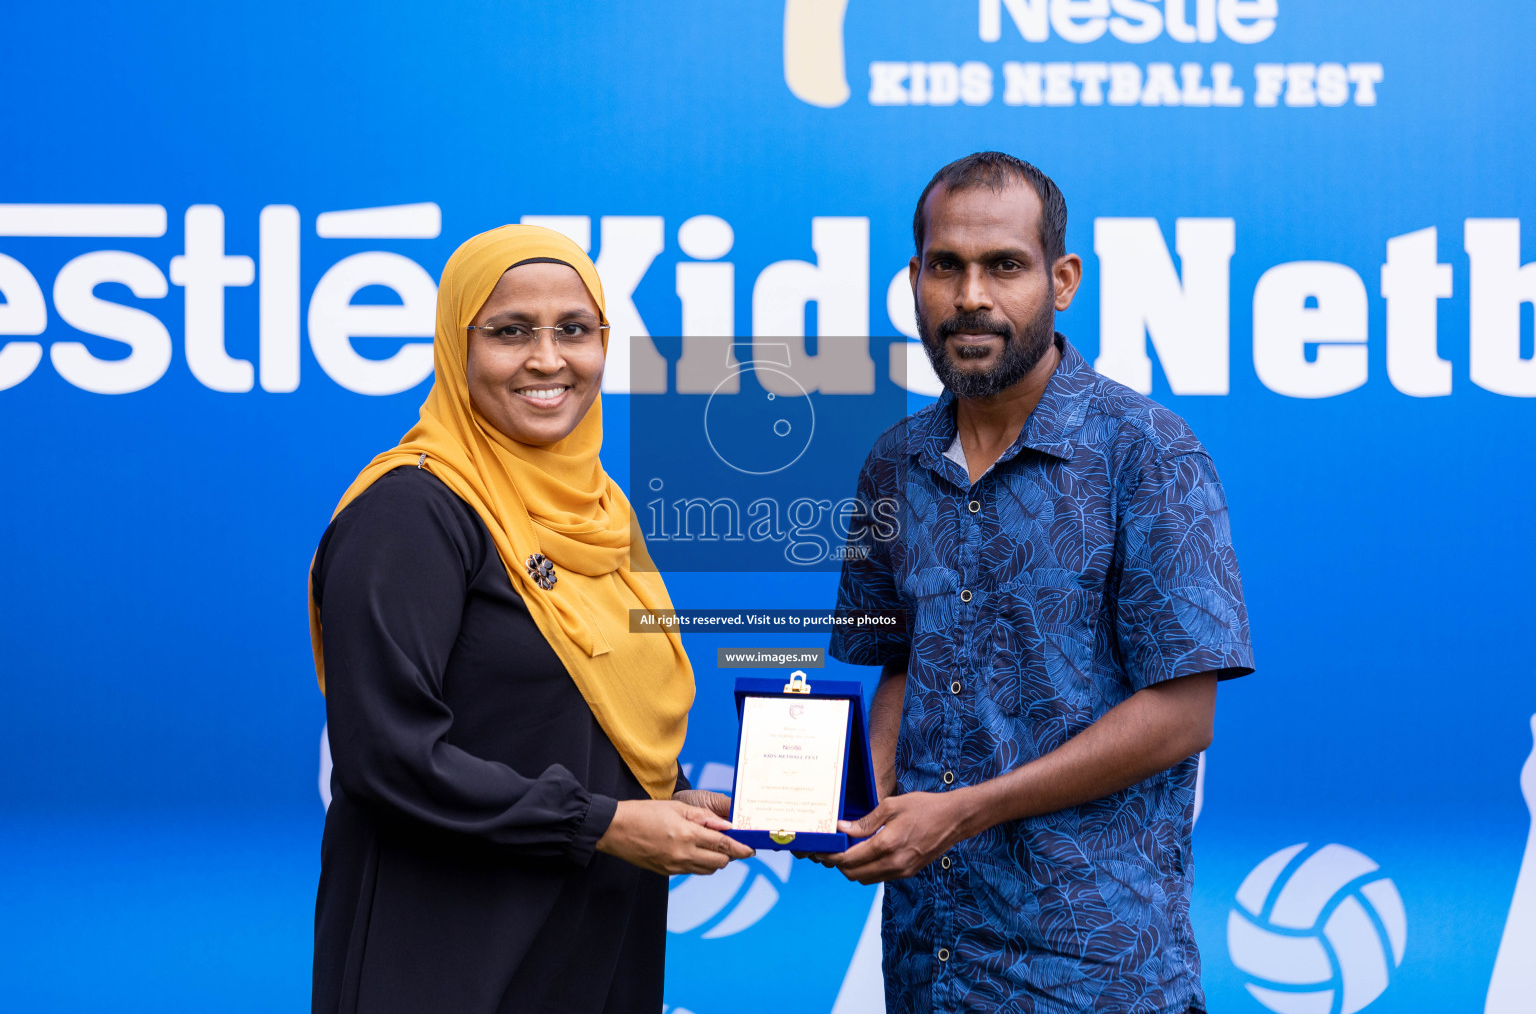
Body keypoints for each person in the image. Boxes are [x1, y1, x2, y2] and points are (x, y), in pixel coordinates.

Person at [822, 152, 1255, 1013]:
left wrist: (966, 809)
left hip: (1095, 976)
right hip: (928, 965)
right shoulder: (894, 463)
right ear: (914, 279)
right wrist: (859, 802)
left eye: (1004, 266)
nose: (971, 296)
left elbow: (1183, 712)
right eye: (946, 266)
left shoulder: (1148, 454)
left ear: (1061, 281)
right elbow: (901, 664)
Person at [307, 225, 752, 1014]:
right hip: (448, 955)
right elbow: (388, 757)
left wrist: (669, 797)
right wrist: (604, 823)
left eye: (574, 331)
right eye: (511, 331)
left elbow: (585, 713)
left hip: (590, 943)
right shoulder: (411, 513)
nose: (549, 359)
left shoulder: (601, 515)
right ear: (456, 345)